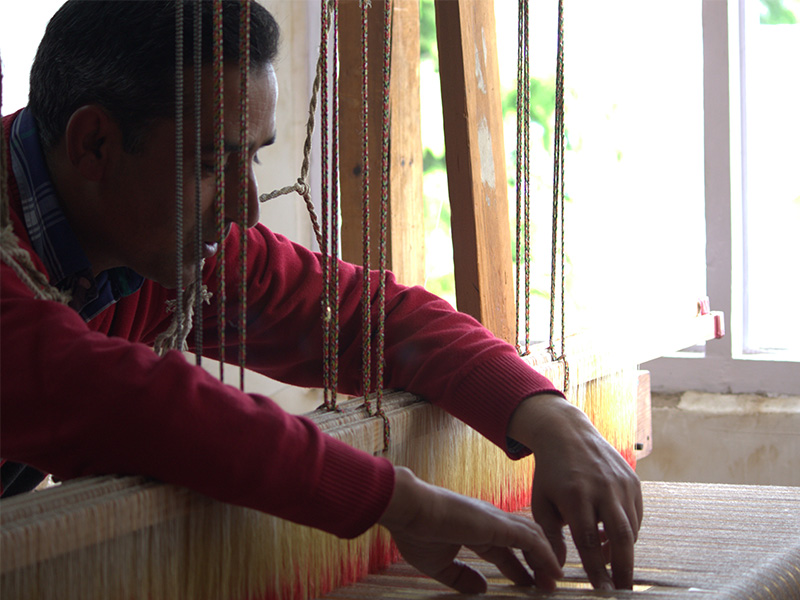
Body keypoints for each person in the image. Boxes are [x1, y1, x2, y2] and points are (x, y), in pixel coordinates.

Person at [0, 0, 642, 593]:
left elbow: (366, 320)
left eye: (250, 160)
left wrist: (551, 419)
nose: (245, 208)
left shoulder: (163, 250)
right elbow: (123, 402)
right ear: (95, 144)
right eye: (207, 165)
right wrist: (401, 505)